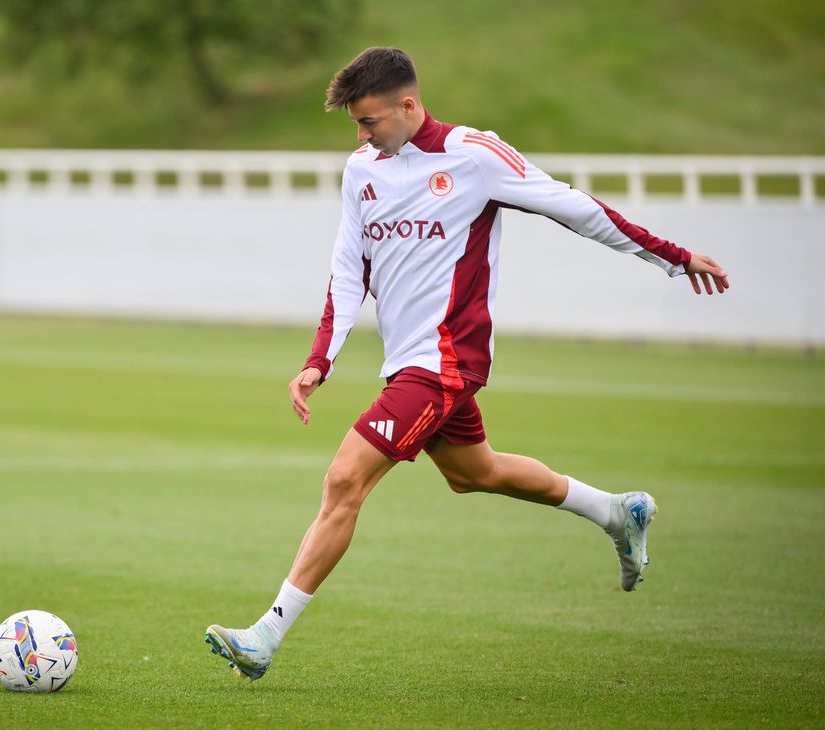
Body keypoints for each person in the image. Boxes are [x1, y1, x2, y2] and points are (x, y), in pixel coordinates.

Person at [204, 47, 729, 681]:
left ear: (408, 104)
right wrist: (321, 360)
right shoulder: (360, 170)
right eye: (356, 125)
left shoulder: (474, 156)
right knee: (473, 472)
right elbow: (349, 270)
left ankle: (265, 636)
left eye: (370, 121)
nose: (363, 134)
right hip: (409, 365)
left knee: (345, 480)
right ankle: (617, 511)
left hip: (448, 360)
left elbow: (579, 210)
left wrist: (674, 256)